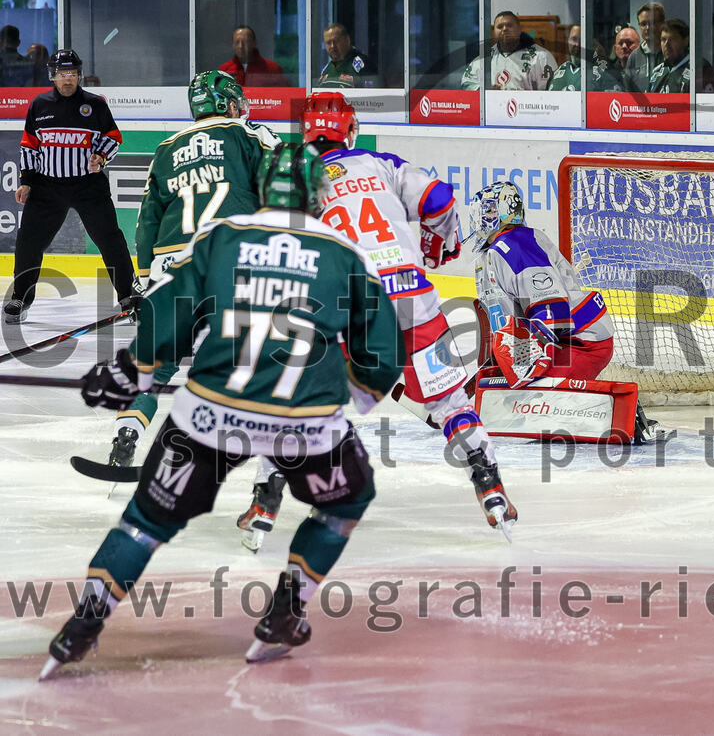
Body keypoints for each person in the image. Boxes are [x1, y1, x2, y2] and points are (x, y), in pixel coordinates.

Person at [43, 142, 404, 678]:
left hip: (210, 413)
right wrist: (358, 397)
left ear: (262, 188)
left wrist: (131, 373)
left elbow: (170, 314)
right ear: (318, 195)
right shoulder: (345, 254)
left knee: (144, 521)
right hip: (305, 425)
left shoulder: (224, 237)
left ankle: (82, 628)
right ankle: (287, 611)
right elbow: (382, 353)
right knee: (347, 501)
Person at [235, 92, 517, 550]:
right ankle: (491, 488)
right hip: (413, 300)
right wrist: (434, 246)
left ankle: (266, 503)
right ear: (350, 131)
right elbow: (441, 200)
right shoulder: (381, 164)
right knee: (449, 402)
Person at [93, 69, 279, 472]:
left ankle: (126, 435)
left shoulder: (166, 148)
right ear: (230, 104)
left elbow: (146, 221)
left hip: (170, 264)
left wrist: (142, 281)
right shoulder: (251, 135)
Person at [468, 181, 657, 444]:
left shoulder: (516, 245)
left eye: (488, 210)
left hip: (583, 342)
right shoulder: (499, 250)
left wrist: (534, 367)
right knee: (514, 397)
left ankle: (624, 413)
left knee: (533, 405)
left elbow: (552, 310)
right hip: (563, 342)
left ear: (506, 211)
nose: (480, 218)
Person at [5, 49, 136, 324]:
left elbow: (113, 137)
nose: (68, 80)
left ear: (79, 75)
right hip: (46, 187)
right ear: (53, 76)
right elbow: (30, 145)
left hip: (89, 186)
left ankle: (128, 296)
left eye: (73, 74)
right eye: (63, 74)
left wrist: (100, 156)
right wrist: (26, 181)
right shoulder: (39, 105)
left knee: (110, 239)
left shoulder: (95, 104)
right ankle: (20, 296)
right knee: (29, 241)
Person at [461, 11, 557, 91]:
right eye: (499, 26)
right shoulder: (484, 58)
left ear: (520, 29)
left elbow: (553, 91)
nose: (504, 29)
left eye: (509, 25)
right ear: (493, 31)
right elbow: (466, 83)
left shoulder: (541, 57)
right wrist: (484, 90)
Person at [648, 18, 714, 94]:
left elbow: (707, 103)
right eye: (663, 39)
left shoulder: (699, 68)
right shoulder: (657, 72)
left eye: (672, 39)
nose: (666, 45)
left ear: (686, 41)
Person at [218, 25, 288, 87]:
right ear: (233, 45)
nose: (241, 46)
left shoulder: (272, 69)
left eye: (245, 41)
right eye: (237, 42)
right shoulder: (224, 70)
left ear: (254, 43)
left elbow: (284, 96)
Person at [318, 23, 376, 88]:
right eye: (328, 43)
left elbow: (374, 86)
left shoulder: (361, 64)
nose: (332, 46)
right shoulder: (326, 70)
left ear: (347, 40)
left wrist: (357, 82)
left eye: (336, 41)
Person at [623, 1, 665, 92]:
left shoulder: (671, 52)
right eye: (643, 24)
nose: (648, 28)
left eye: (652, 22)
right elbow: (628, 91)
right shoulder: (634, 56)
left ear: (663, 23)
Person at [592, 25, 640, 91]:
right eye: (620, 43)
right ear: (615, 49)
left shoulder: (647, 70)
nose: (624, 46)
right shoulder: (606, 73)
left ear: (639, 46)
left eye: (629, 43)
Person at [548, 25, 582, 91]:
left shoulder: (594, 72)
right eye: (574, 39)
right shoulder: (557, 73)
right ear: (567, 41)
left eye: (582, 40)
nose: (577, 44)